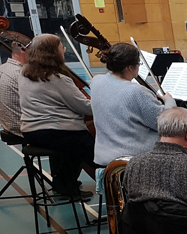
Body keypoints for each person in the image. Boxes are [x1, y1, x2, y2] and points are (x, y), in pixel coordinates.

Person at [18, 34, 94, 199]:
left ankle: (64, 185)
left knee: (72, 146)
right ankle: (115, 189)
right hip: (56, 131)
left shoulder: (25, 72)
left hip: (31, 131)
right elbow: (85, 107)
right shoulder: (58, 79)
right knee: (97, 153)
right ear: (52, 53)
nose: (64, 50)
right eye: (61, 47)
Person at [91, 42, 175, 167]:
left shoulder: (96, 81)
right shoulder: (136, 91)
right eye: (138, 64)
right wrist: (169, 101)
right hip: (135, 160)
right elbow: (165, 123)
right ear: (130, 68)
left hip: (103, 158)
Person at [0, 30, 31, 141]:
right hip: (21, 128)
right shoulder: (22, 74)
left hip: (8, 125)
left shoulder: (2, 68)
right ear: (24, 51)